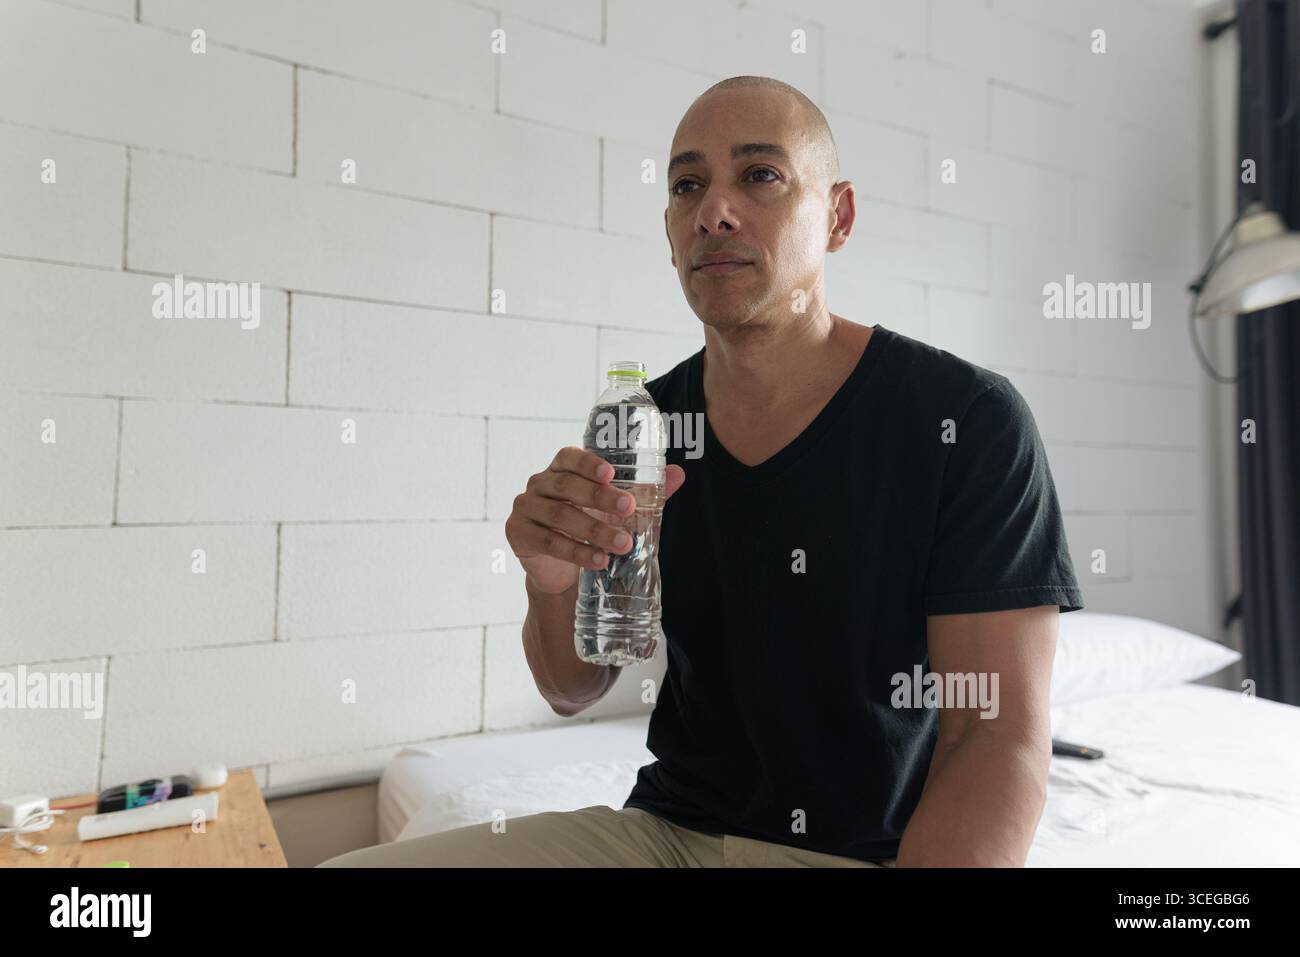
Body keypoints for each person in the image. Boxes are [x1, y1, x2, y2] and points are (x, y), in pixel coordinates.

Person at [319, 75, 1082, 869]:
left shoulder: (965, 420)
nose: (714, 210)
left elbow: (993, 734)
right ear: (671, 231)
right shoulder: (641, 425)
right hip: (664, 836)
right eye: (689, 186)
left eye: (759, 175)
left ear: (839, 215)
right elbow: (572, 687)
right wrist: (548, 578)